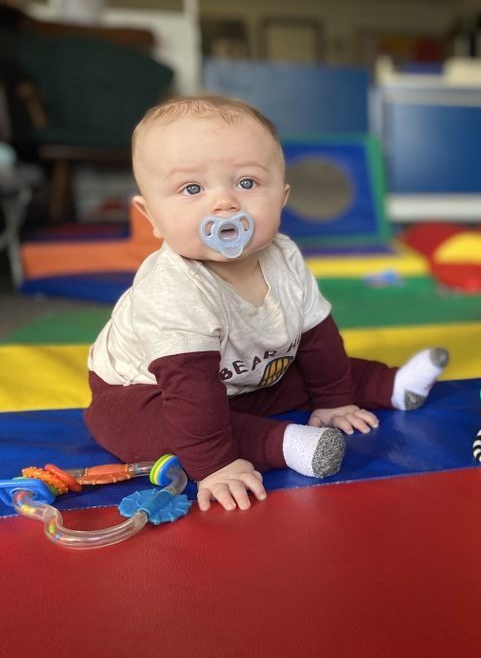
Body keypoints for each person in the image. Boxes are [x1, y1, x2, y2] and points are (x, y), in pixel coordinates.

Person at [84, 95, 448, 513]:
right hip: (146, 390)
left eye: (247, 183)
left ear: (282, 197)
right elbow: (191, 386)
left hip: (244, 374)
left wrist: (333, 400)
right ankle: (284, 444)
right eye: (191, 188)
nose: (224, 204)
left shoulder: (284, 256)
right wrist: (215, 466)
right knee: (151, 427)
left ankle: (392, 385)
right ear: (150, 215)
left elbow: (316, 336)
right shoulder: (173, 286)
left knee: (305, 370)